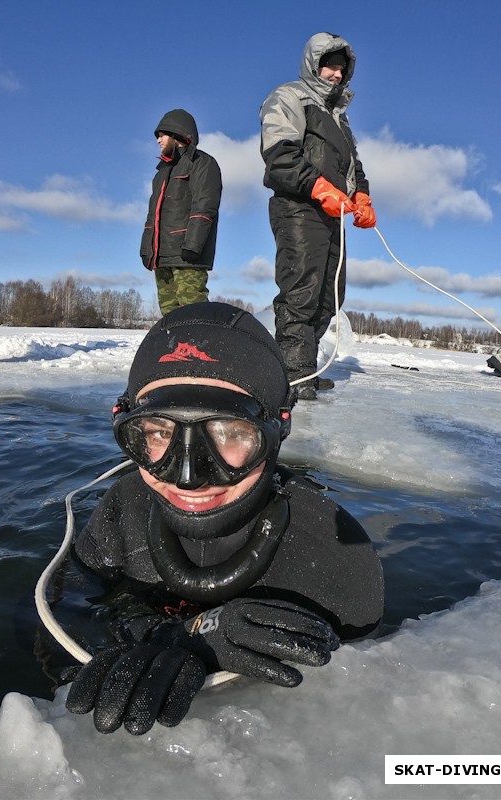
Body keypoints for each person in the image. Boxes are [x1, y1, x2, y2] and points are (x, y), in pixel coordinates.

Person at [65, 302, 384, 736]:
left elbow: (341, 731)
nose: (188, 477)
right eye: (158, 432)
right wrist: (148, 636)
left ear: (278, 429)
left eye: (231, 433)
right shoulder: (122, 508)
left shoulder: (337, 558)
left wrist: (195, 642)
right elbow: (61, 612)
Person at [260, 32, 378, 401]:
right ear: (313, 64)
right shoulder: (289, 97)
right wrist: (318, 187)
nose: (337, 74)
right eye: (330, 65)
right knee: (302, 291)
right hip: (299, 207)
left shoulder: (339, 118)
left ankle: (305, 371)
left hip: (332, 213)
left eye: (343, 69)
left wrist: (362, 192)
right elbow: (279, 156)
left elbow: (352, 165)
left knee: (331, 294)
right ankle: (292, 380)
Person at [140, 109, 222, 315]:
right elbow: (153, 214)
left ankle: (204, 347)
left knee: (193, 311)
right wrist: (147, 248)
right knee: (169, 316)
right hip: (162, 255)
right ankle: (175, 348)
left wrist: (193, 245)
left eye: (161, 134)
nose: (158, 140)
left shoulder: (202, 163)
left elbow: (205, 205)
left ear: (177, 134)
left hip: (187, 255)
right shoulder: (161, 173)